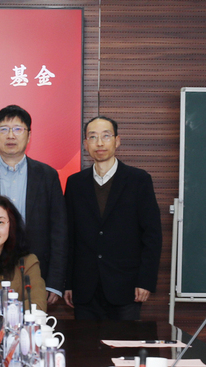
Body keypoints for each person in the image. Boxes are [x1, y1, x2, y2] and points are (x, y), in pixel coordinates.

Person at [0, 105, 67, 305]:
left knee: (30, 322)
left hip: (34, 271)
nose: (10, 135)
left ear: (29, 135)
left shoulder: (47, 176)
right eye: (4, 129)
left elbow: (59, 231)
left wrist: (54, 282)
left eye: (18, 129)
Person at [64, 116, 162, 320]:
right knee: (84, 341)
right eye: (93, 137)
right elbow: (69, 237)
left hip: (127, 287)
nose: (99, 143)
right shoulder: (75, 183)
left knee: (125, 340)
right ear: (85, 144)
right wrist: (68, 283)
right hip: (85, 288)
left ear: (117, 141)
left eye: (106, 136)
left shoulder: (139, 180)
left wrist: (145, 280)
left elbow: (152, 235)